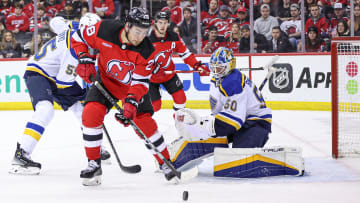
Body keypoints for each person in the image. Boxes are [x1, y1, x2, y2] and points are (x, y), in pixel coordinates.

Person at [71, 7, 182, 186]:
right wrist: (84, 58)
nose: (141, 37)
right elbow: (77, 38)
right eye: (138, 31)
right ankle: (94, 163)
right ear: (128, 25)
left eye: (145, 32)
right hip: (106, 82)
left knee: (143, 121)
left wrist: (130, 104)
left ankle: (166, 162)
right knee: (90, 114)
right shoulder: (104, 29)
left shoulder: (147, 50)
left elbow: (140, 83)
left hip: (132, 88)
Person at [8, 13, 110, 176]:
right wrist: (84, 94)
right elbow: (64, 84)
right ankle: (21, 155)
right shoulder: (73, 52)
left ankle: (95, 146)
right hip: (38, 72)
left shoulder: (74, 28)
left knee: (81, 110)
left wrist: (70, 23)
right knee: (45, 110)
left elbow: (55, 21)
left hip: (54, 75)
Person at [168, 47, 281, 176]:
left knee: (238, 164)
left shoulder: (233, 83)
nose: (215, 72)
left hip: (256, 123)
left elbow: (232, 123)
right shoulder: (219, 79)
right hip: (240, 118)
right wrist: (206, 130)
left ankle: (277, 162)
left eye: (219, 68)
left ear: (229, 66)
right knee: (209, 139)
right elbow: (222, 113)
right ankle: (175, 157)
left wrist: (202, 126)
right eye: (213, 68)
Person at [149, 11, 209, 113]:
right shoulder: (147, 40)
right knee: (155, 106)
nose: (162, 26)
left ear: (168, 23)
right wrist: (152, 68)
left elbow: (186, 54)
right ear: (155, 23)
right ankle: (141, 119)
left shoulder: (174, 37)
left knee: (181, 99)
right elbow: (139, 61)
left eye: (165, 22)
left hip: (169, 75)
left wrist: (196, 65)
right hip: (151, 78)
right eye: (160, 22)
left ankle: (178, 119)